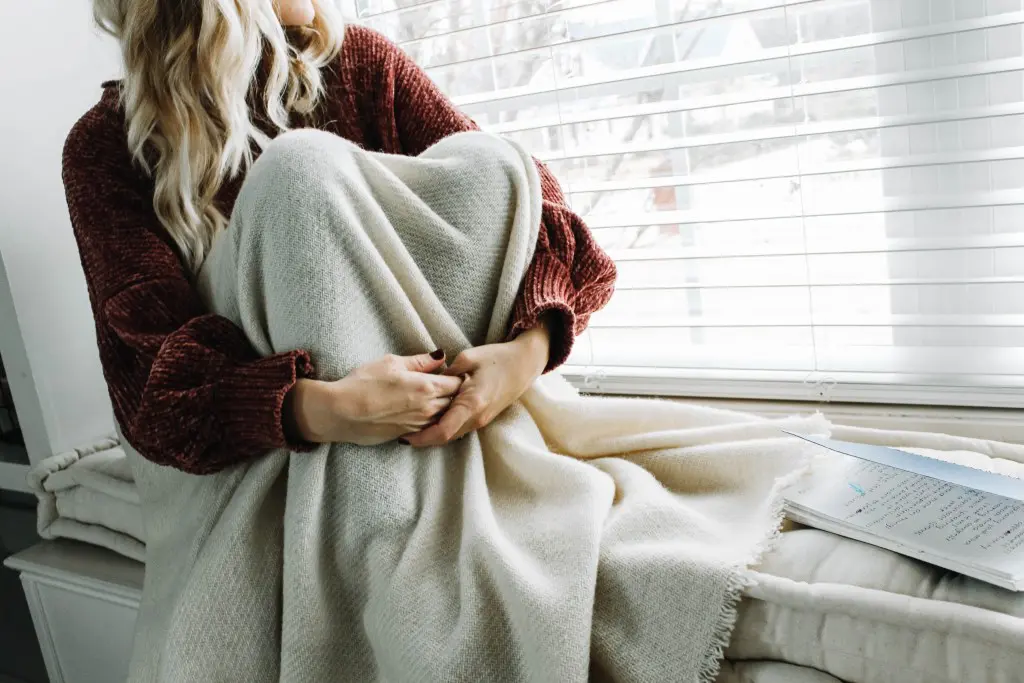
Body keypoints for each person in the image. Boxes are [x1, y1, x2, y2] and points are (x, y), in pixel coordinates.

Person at [64, 0, 617, 474]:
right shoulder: (104, 147)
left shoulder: (358, 64)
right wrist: (325, 409)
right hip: (275, 455)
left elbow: (536, 210)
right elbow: (151, 391)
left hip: (435, 411)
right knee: (298, 169)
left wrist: (526, 353)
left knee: (487, 162)